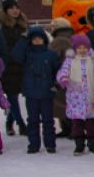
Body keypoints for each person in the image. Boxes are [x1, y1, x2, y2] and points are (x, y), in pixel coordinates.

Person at [11, 26, 60, 154]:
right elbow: (16, 55)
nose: (37, 41)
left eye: (40, 38)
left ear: (44, 40)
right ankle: (33, 144)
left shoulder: (51, 54)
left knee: (48, 120)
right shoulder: (27, 54)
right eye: (34, 39)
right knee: (32, 120)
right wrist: (23, 39)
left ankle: (50, 144)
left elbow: (57, 70)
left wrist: (56, 83)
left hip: (47, 92)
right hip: (31, 92)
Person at [56, 34, 94, 156]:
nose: (82, 50)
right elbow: (62, 73)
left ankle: (93, 145)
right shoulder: (70, 61)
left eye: (85, 47)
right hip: (75, 99)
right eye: (79, 47)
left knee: (91, 125)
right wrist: (63, 79)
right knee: (77, 125)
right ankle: (79, 145)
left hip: (90, 99)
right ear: (74, 48)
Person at [0, 0, 28, 137]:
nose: (15, 10)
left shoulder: (23, 25)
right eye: (11, 8)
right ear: (5, 10)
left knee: (18, 94)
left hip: (22, 65)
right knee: (12, 96)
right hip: (7, 65)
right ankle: (21, 123)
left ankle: (9, 121)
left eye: (16, 7)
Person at [48, 17, 75, 138]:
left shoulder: (59, 41)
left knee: (61, 104)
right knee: (66, 103)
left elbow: (52, 58)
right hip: (69, 76)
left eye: (53, 26)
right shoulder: (69, 38)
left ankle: (69, 129)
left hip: (60, 76)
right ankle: (69, 129)